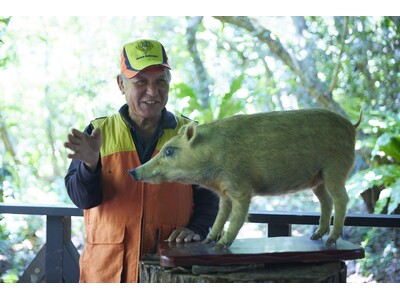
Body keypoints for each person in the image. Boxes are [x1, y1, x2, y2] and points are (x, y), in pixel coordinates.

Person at [64, 39, 218, 283]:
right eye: (141, 82)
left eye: (160, 82)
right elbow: (82, 199)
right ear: (121, 84)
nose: (152, 92)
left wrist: (197, 229)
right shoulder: (97, 132)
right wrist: (90, 166)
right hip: (106, 273)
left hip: (169, 271)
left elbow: (212, 195)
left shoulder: (190, 135)